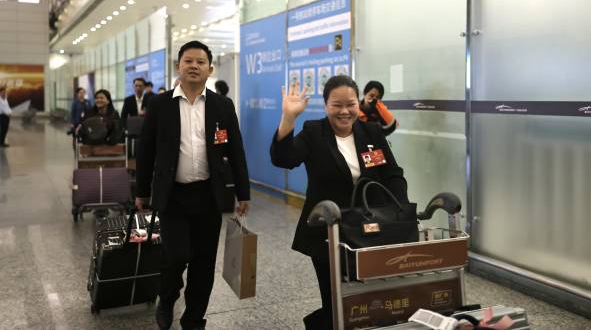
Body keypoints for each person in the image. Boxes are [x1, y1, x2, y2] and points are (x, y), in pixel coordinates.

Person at [270, 75, 408, 329]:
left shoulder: (371, 132)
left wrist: (400, 211)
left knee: (373, 297)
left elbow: (392, 174)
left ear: (358, 103)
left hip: (371, 229)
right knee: (335, 300)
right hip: (329, 233)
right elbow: (284, 159)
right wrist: (288, 118)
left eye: (351, 104)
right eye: (337, 105)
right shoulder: (314, 132)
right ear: (326, 106)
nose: (345, 111)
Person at [135, 41, 251, 330]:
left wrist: (243, 192)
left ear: (210, 69)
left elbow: (236, 151)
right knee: (176, 256)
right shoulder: (160, 104)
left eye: (201, 62)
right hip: (173, 195)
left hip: (209, 195)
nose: (194, 66)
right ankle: (167, 297)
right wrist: (141, 191)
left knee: (203, 262)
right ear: (178, 66)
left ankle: (194, 319)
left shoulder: (222, 106)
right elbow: (145, 150)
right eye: (188, 61)